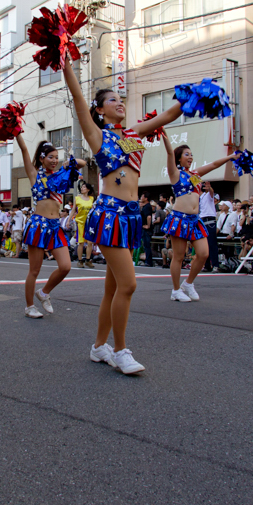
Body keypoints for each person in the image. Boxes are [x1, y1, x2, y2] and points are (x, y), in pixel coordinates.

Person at [63, 61, 182, 373]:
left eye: (121, 98)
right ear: (101, 110)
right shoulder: (98, 135)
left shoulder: (132, 134)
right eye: (112, 99)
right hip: (109, 214)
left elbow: (168, 115)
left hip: (129, 217)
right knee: (128, 285)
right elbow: (77, 99)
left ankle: (98, 346)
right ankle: (120, 350)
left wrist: (195, 94)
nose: (120, 102)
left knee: (113, 289)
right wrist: (65, 63)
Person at [160, 134, 239, 301]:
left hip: (195, 220)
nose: (190, 157)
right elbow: (168, 153)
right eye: (186, 154)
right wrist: (164, 134)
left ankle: (188, 283)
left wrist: (231, 157)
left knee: (203, 254)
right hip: (180, 218)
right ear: (179, 158)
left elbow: (214, 164)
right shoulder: (175, 173)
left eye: (191, 154)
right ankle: (175, 290)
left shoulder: (195, 175)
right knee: (179, 256)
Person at [14, 133, 85, 318]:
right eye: (50, 157)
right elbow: (23, 149)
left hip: (55, 226)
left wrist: (68, 164)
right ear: (41, 158)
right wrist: (17, 132)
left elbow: (82, 163)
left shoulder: (61, 175)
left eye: (56, 157)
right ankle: (29, 306)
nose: (54, 160)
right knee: (34, 270)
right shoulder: (34, 174)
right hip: (39, 225)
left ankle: (44, 293)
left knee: (66, 266)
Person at [71, 182, 96, 268]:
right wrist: (68, 220)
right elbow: (73, 210)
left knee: (90, 242)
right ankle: (80, 260)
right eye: (81, 187)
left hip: (89, 223)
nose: (82, 188)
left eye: (84, 187)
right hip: (80, 223)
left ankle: (88, 260)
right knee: (81, 243)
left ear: (88, 189)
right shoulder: (77, 198)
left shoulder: (91, 199)